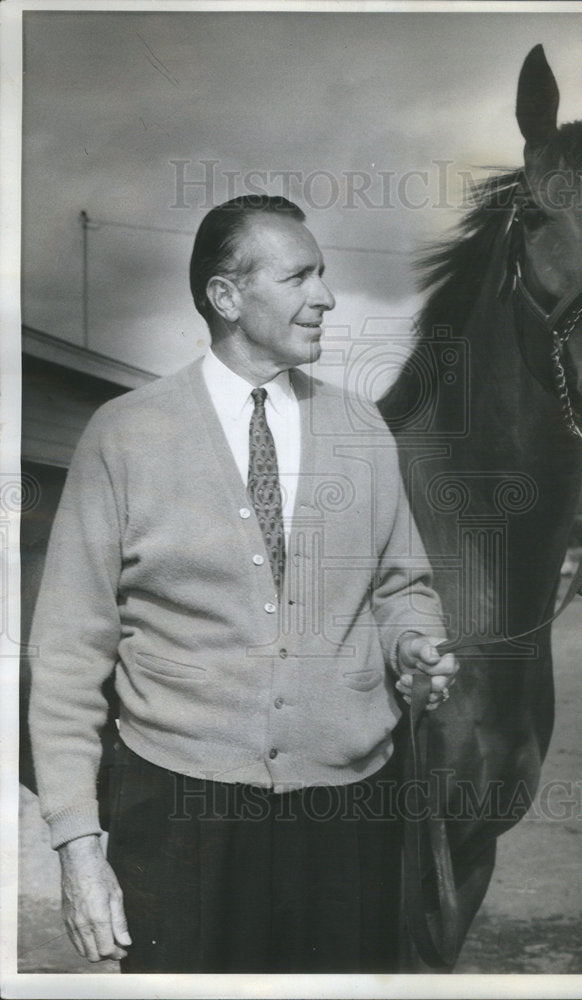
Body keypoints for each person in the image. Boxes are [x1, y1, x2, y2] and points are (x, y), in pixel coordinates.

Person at [28, 194, 458, 973]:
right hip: (178, 814)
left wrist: (412, 644)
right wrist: (77, 847)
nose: (324, 296)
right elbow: (66, 657)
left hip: (347, 809)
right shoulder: (123, 434)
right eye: (299, 276)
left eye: (322, 275)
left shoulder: (363, 431)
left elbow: (401, 585)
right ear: (226, 297)